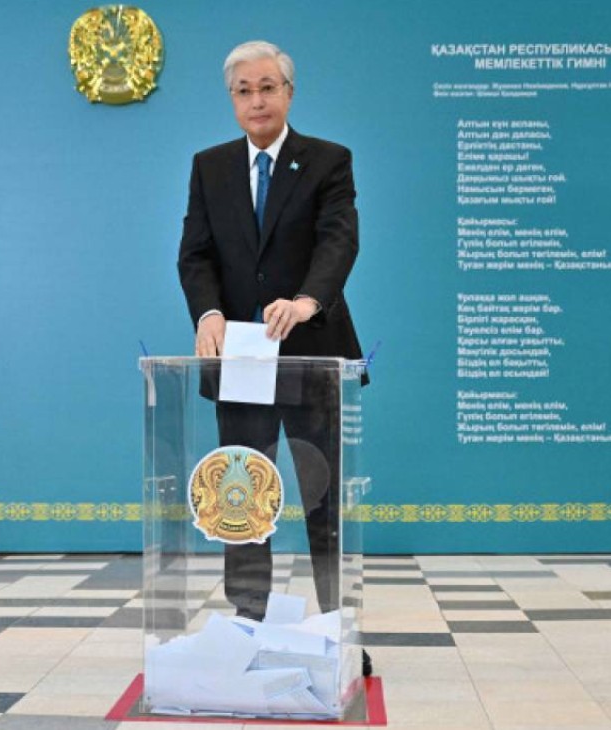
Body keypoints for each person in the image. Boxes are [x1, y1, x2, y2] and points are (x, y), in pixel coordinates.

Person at [177, 40, 369, 675]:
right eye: (244, 91)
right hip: (241, 359)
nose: (256, 100)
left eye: (267, 87)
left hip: (314, 356)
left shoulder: (328, 160)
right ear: (232, 100)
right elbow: (196, 254)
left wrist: (308, 301)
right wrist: (207, 314)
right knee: (241, 500)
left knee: (323, 501)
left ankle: (338, 630)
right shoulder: (209, 166)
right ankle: (246, 627)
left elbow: (339, 240)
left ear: (288, 92)